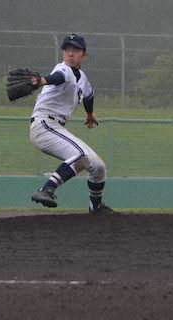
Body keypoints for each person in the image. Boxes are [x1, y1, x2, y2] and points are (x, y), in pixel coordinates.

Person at [28, 34, 115, 214]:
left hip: (56, 127)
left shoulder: (82, 77)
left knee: (98, 167)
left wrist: (90, 114)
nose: (70, 53)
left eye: (75, 49)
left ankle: (96, 207)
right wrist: (41, 81)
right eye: (67, 49)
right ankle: (46, 190)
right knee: (81, 155)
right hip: (44, 125)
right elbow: (56, 78)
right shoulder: (63, 70)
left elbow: (89, 95)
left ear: (84, 55)